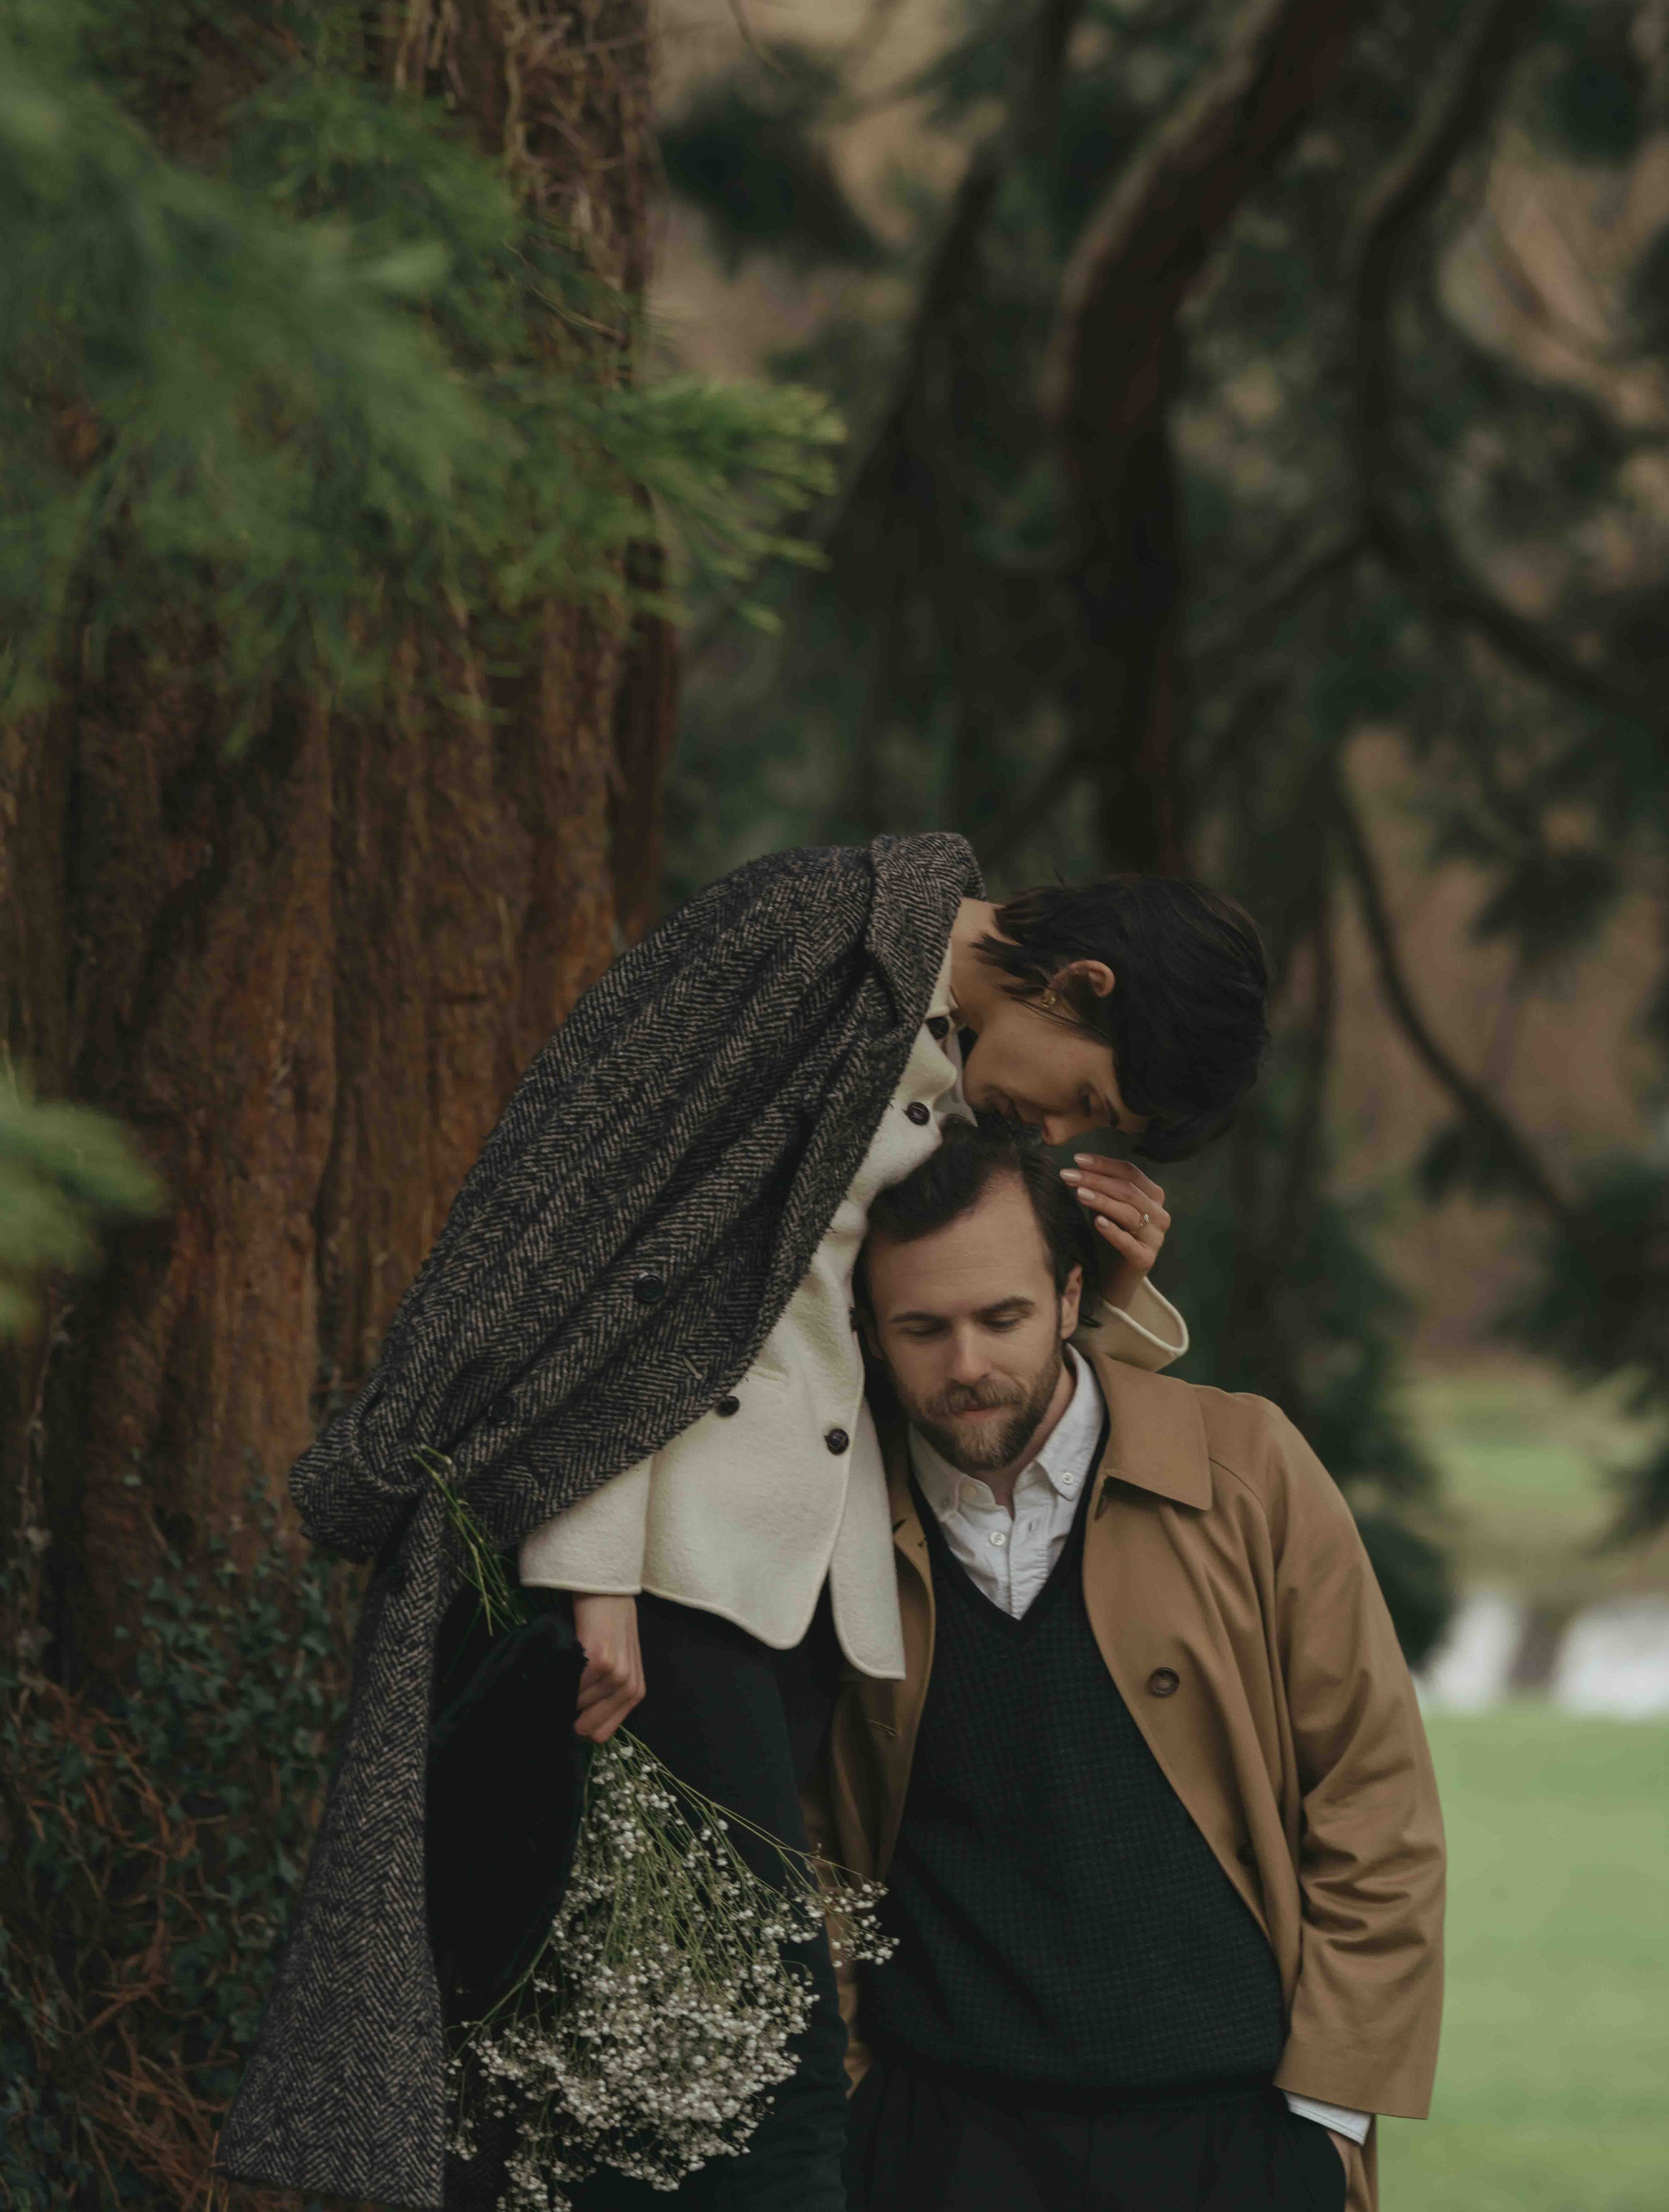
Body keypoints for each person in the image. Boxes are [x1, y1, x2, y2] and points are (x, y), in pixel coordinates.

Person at [220, 833, 1269, 2212]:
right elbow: (603, 1248)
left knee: (585, 2062)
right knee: (757, 2088)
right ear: (1077, 980)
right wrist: (592, 1565)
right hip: (648, 1591)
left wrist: (1106, 1285)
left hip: (791, 1611)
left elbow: (953, 1367)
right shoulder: (810, 937)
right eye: (1086, 1096)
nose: (1064, 1132)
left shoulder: (969, 1084)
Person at [823, 1116, 1445, 2212]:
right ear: (870, 1330)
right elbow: (805, 1844)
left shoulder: (1249, 1468)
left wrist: (1326, 2130)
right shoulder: (828, 1517)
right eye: (923, 1327)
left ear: (1074, 1297)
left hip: (1234, 2144)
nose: (966, 1366)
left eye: (1003, 1316)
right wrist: (857, 2109)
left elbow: (1373, 1800)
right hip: (938, 2146)